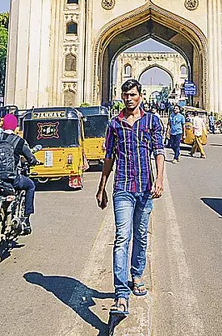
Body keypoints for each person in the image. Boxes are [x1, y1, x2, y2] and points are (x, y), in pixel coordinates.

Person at [96, 79, 164, 317]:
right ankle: (121, 293)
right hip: (123, 187)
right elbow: (109, 156)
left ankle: (136, 275)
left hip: (145, 187)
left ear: (140, 96)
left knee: (141, 236)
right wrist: (102, 185)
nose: (129, 98)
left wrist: (160, 180)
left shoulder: (152, 121)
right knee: (122, 236)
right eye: (126, 95)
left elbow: (158, 152)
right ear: (121, 96)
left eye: (133, 95)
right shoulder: (115, 124)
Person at [0, 115, 38, 234]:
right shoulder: (19, 141)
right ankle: (26, 219)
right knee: (30, 185)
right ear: (15, 127)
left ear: (3, 125)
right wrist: (34, 161)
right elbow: (30, 158)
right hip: (12, 179)